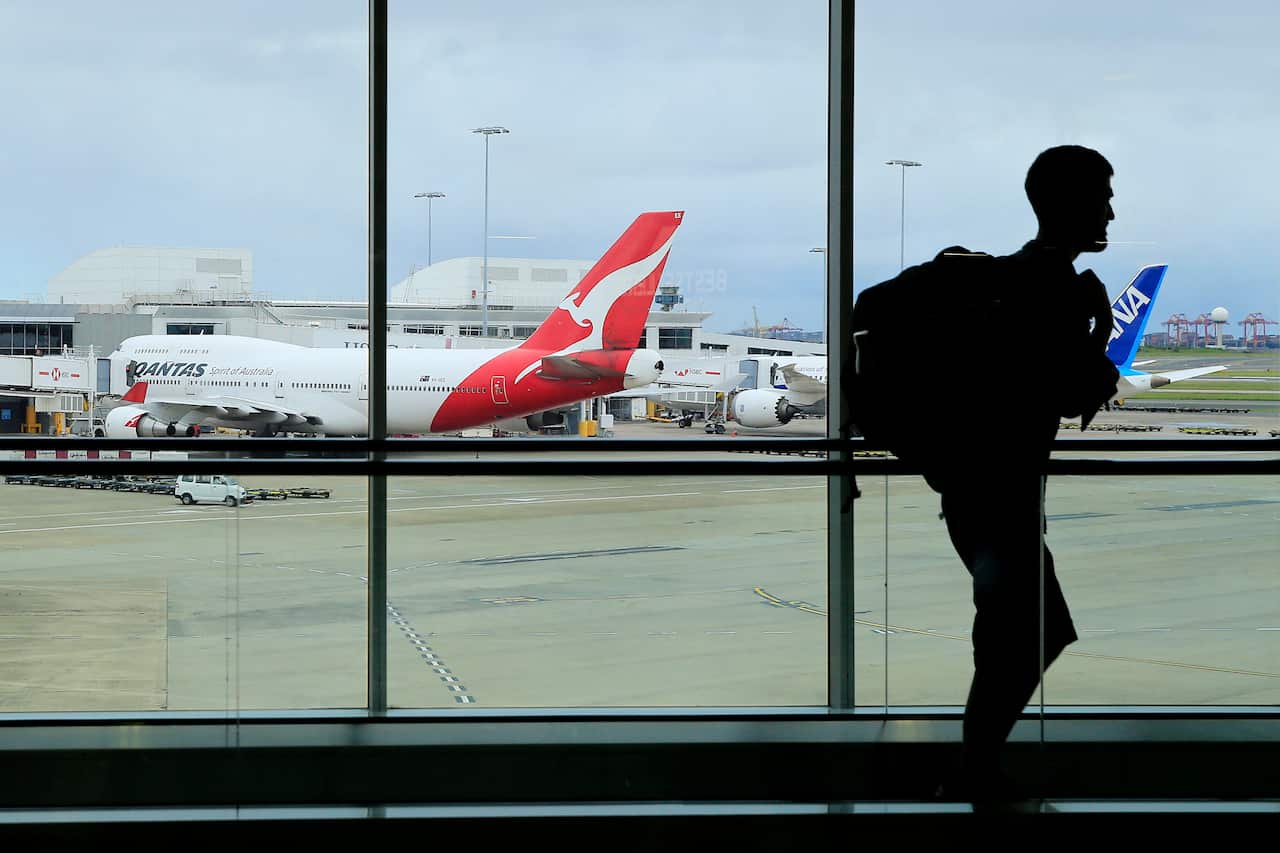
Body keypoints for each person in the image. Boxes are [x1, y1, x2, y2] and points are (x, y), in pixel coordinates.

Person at [930, 145, 1120, 807]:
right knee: (1030, 636)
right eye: (1102, 196)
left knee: (1011, 637)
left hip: (977, 493)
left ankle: (978, 769)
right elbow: (1075, 393)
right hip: (999, 494)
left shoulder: (1017, 276)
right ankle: (976, 772)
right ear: (1068, 204)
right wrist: (1098, 328)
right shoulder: (1051, 287)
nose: (1111, 210)